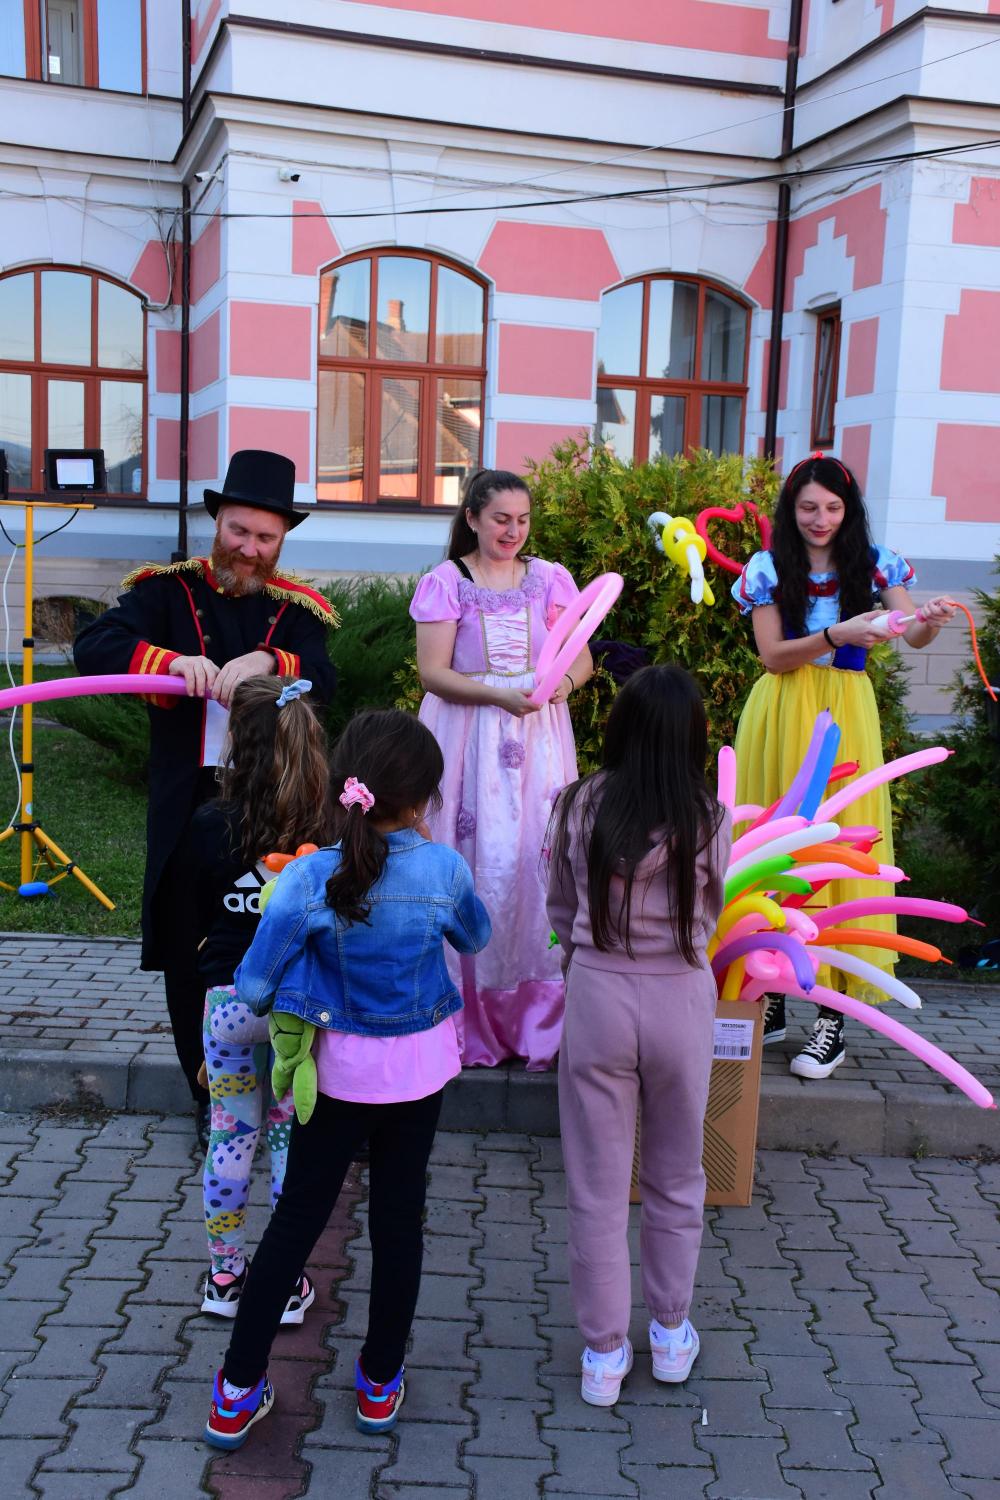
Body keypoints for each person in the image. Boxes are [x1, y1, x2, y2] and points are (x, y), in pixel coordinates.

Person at [203, 709, 492, 1451]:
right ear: (422, 801)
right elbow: (476, 937)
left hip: (333, 1078)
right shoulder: (444, 870)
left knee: (297, 1221)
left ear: (344, 786)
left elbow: (255, 986)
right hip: (419, 1076)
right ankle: (380, 1380)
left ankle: (236, 1391)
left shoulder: (305, 877)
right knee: (398, 1223)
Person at [74, 451, 338, 1143]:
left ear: (282, 540)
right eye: (238, 531)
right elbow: (94, 646)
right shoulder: (165, 593)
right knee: (189, 944)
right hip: (189, 797)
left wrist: (269, 661)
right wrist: (169, 663)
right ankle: (210, 1096)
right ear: (216, 523)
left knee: (275, 937)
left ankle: (288, 1086)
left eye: (264, 538)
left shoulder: (295, 610)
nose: (248, 549)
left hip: (277, 801)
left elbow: (325, 676)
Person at [731, 452, 956, 1079]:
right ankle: (769, 994)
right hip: (781, 711)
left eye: (832, 507)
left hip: (846, 715)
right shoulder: (768, 567)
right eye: (808, 507)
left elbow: (911, 634)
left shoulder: (877, 562)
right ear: (790, 509)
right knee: (772, 847)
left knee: (840, 850)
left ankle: (833, 1018)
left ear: (848, 509)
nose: (820, 518)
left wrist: (930, 621)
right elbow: (773, 656)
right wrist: (839, 635)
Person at [546, 665, 731, 1407]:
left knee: (596, 1184)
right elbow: (711, 911)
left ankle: (602, 1354)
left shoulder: (576, 803)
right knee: (677, 1175)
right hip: (680, 993)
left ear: (620, 725)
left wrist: (587, 955)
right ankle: (671, 1333)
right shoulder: (708, 816)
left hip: (598, 992)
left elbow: (560, 906)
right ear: (692, 738)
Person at [409, 468, 592, 1071]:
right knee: (472, 856)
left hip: (537, 740)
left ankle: (535, 1017)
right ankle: (465, 1014)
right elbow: (433, 673)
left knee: (534, 860)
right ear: (472, 518)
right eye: (501, 519)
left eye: (523, 520)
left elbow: (582, 658)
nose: (513, 531)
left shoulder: (549, 579)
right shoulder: (447, 582)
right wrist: (498, 697)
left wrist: (561, 686)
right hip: (469, 739)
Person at [182, 674, 332, 1323]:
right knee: (288, 1138)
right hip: (296, 1008)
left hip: (228, 1005)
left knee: (231, 1133)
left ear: (235, 743)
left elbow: (194, 922)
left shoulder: (209, 822)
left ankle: (224, 1276)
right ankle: (285, 1282)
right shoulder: (328, 825)